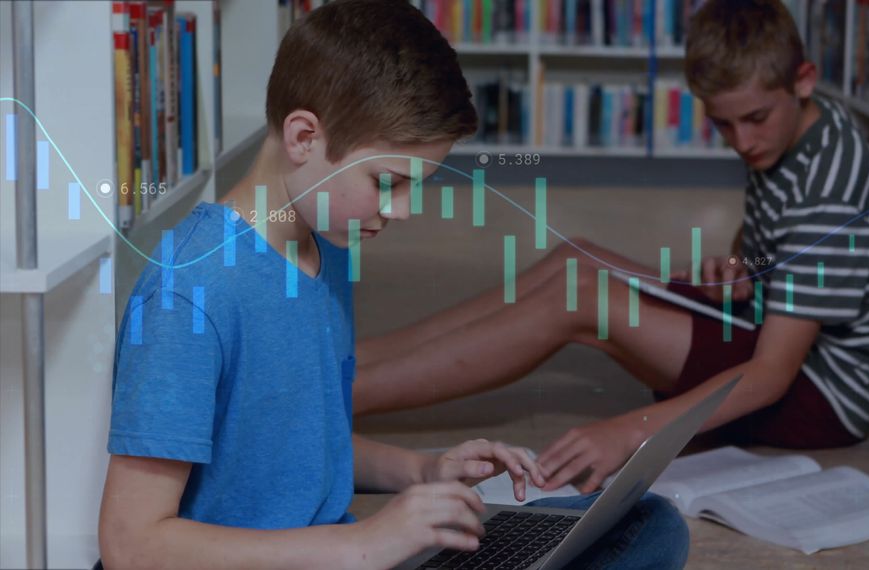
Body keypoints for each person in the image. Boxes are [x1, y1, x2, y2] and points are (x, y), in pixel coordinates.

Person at [96, 1, 688, 568]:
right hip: (304, 559)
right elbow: (132, 546)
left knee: (647, 522)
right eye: (387, 182)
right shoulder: (189, 292)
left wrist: (423, 473)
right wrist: (359, 549)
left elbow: (297, 449)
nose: (401, 210)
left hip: (333, 554)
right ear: (304, 138)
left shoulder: (320, 247)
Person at [353, 0, 869, 496]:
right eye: (723, 125)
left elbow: (771, 376)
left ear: (804, 79)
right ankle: (352, 364)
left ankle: (335, 400)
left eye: (755, 120)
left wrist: (632, 432)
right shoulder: (803, 127)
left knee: (579, 301)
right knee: (576, 258)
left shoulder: (828, 194)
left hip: (822, 394)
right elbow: (780, 244)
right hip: (771, 320)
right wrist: (748, 263)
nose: (742, 142)